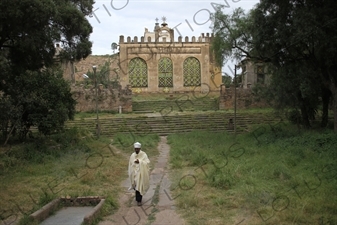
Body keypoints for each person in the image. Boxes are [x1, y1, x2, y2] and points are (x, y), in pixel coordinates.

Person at [128, 142, 150, 206]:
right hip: (134, 173)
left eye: (138, 149)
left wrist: (139, 162)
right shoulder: (132, 155)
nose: (136, 150)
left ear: (140, 148)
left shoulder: (144, 154)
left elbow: (147, 162)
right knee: (135, 186)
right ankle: (137, 198)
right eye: (135, 149)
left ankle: (139, 200)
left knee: (139, 186)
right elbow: (130, 164)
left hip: (141, 173)